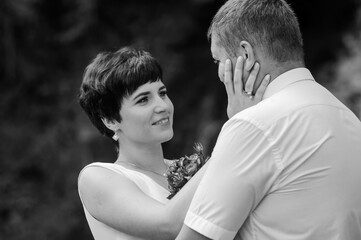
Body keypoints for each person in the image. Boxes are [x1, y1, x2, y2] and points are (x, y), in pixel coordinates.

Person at [176, 0, 361, 240]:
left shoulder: (253, 126)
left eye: (218, 61)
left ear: (246, 54)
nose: (220, 74)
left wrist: (240, 121)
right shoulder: (349, 119)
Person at [77, 46, 269, 239]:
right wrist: (236, 131)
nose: (162, 106)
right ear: (110, 120)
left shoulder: (189, 167)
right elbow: (167, 225)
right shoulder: (96, 178)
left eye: (162, 93)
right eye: (143, 100)